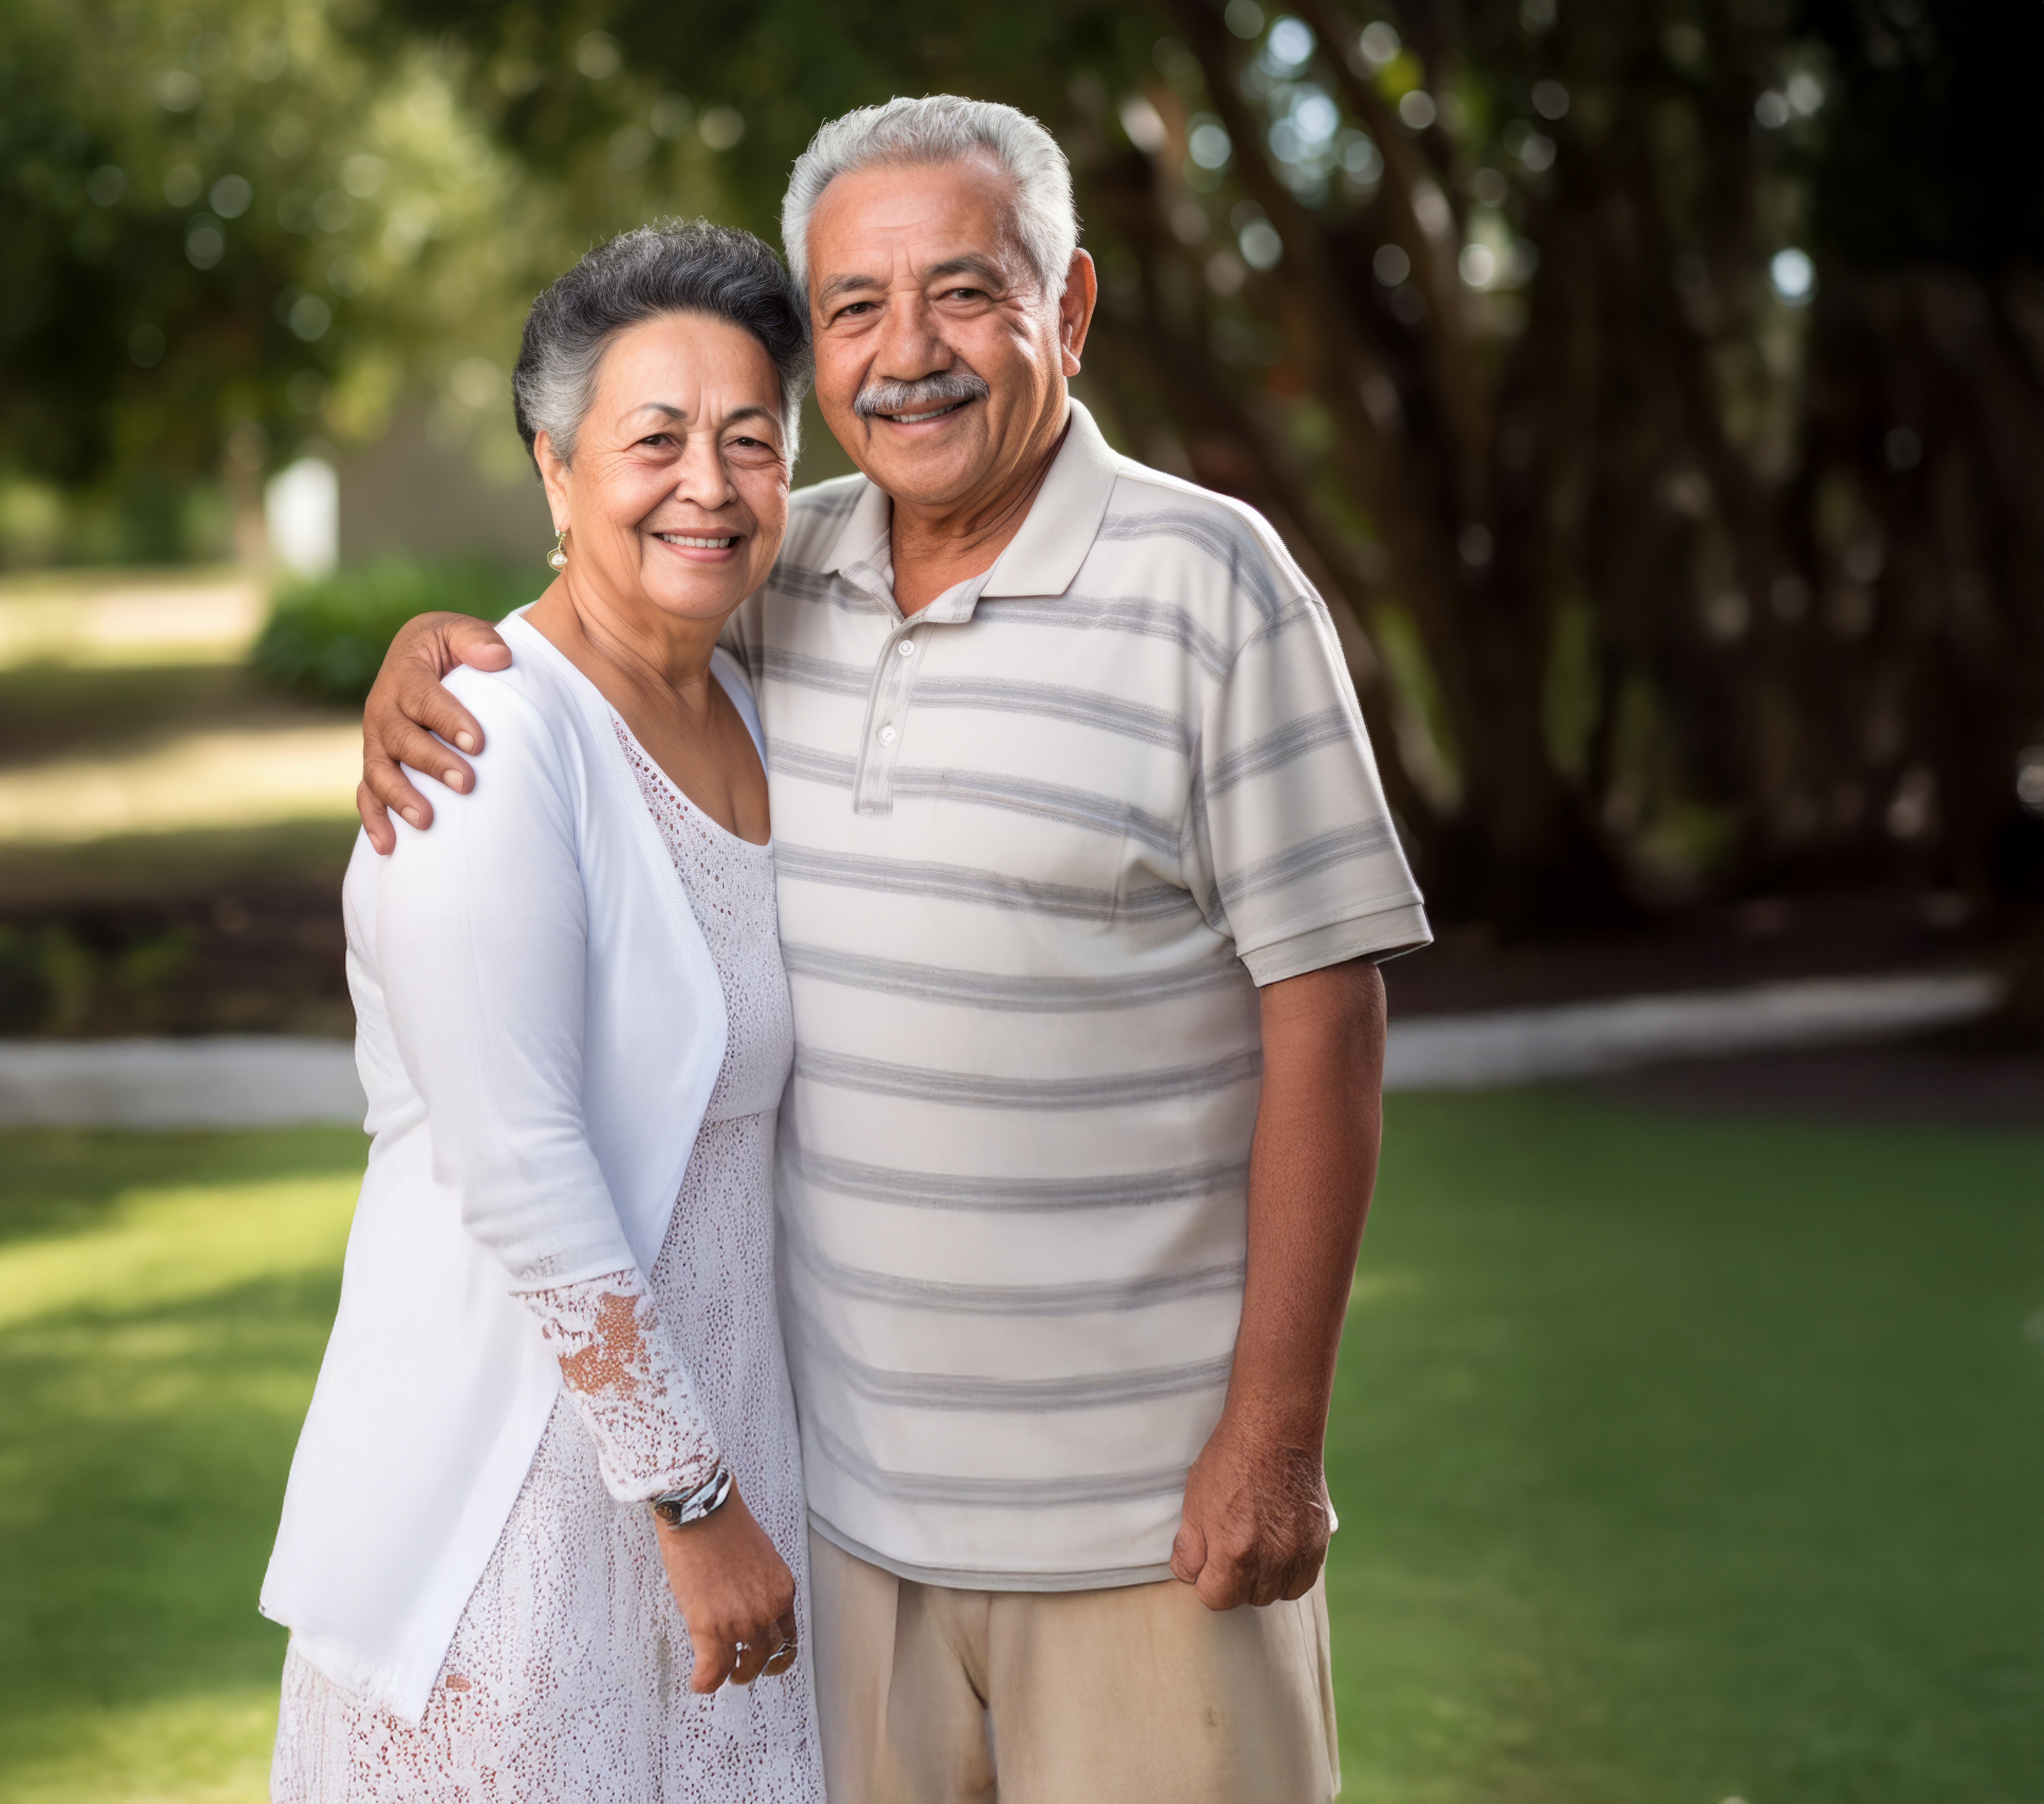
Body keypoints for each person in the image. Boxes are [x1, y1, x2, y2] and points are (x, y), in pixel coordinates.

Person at [357, 97, 1430, 1803]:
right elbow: (612, 601)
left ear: (1067, 310)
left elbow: (1333, 1018)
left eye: (964, 293)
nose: (905, 354)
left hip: (1145, 1525)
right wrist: (442, 652)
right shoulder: (791, 575)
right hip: (846, 1528)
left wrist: (1276, 1437)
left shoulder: (1214, 587)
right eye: (853, 307)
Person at [258, 219, 825, 1803]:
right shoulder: (484, 746)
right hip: (518, 1518)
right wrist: (693, 1499)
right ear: (556, 468)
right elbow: (521, 1157)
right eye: (655, 441)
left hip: (729, 1483)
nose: (707, 484)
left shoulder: (759, 697)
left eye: (751, 441)